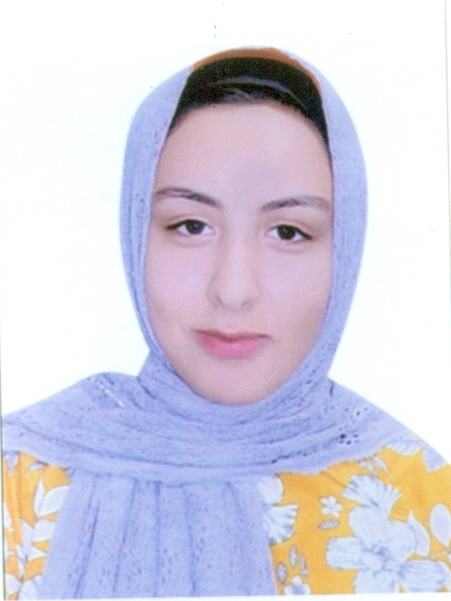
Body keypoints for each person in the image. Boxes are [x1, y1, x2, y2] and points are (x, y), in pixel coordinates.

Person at [3, 47, 451, 598]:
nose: (233, 290)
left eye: (288, 232)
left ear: (345, 249)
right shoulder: (20, 481)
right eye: (191, 226)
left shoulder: (420, 502)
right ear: (135, 231)